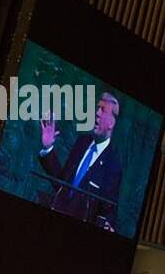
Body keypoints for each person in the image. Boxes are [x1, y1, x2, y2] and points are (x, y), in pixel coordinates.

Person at [38, 92, 123, 231]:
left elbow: (108, 212)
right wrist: (48, 148)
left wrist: (108, 225)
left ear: (111, 123)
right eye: (97, 108)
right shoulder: (82, 142)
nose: (97, 113)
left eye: (103, 110)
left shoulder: (113, 167)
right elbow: (62, 183)